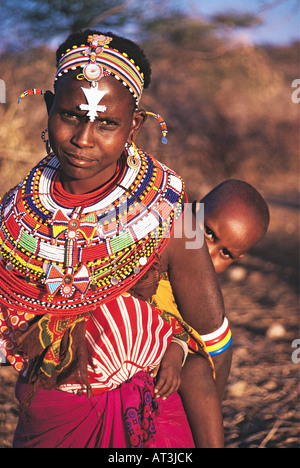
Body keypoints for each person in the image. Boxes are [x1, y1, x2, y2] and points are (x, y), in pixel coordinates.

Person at [0, 29, 229, 448]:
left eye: (107, 123)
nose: (83, 140)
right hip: (49, 422)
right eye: (70, 115)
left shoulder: (177, 212)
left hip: (151, 424)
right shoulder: (13, 213)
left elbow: (214, 342)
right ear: (49, 108)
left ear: (134, 126)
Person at [151, 179, 269, 446]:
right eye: (208, 233)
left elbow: (209, 351)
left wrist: (177, 350)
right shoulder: (156, 249)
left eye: (225, 253)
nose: (209, 252)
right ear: (192, 212)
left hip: (167, 372)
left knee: (198, 370)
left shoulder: (203, 301)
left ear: (237, 259)